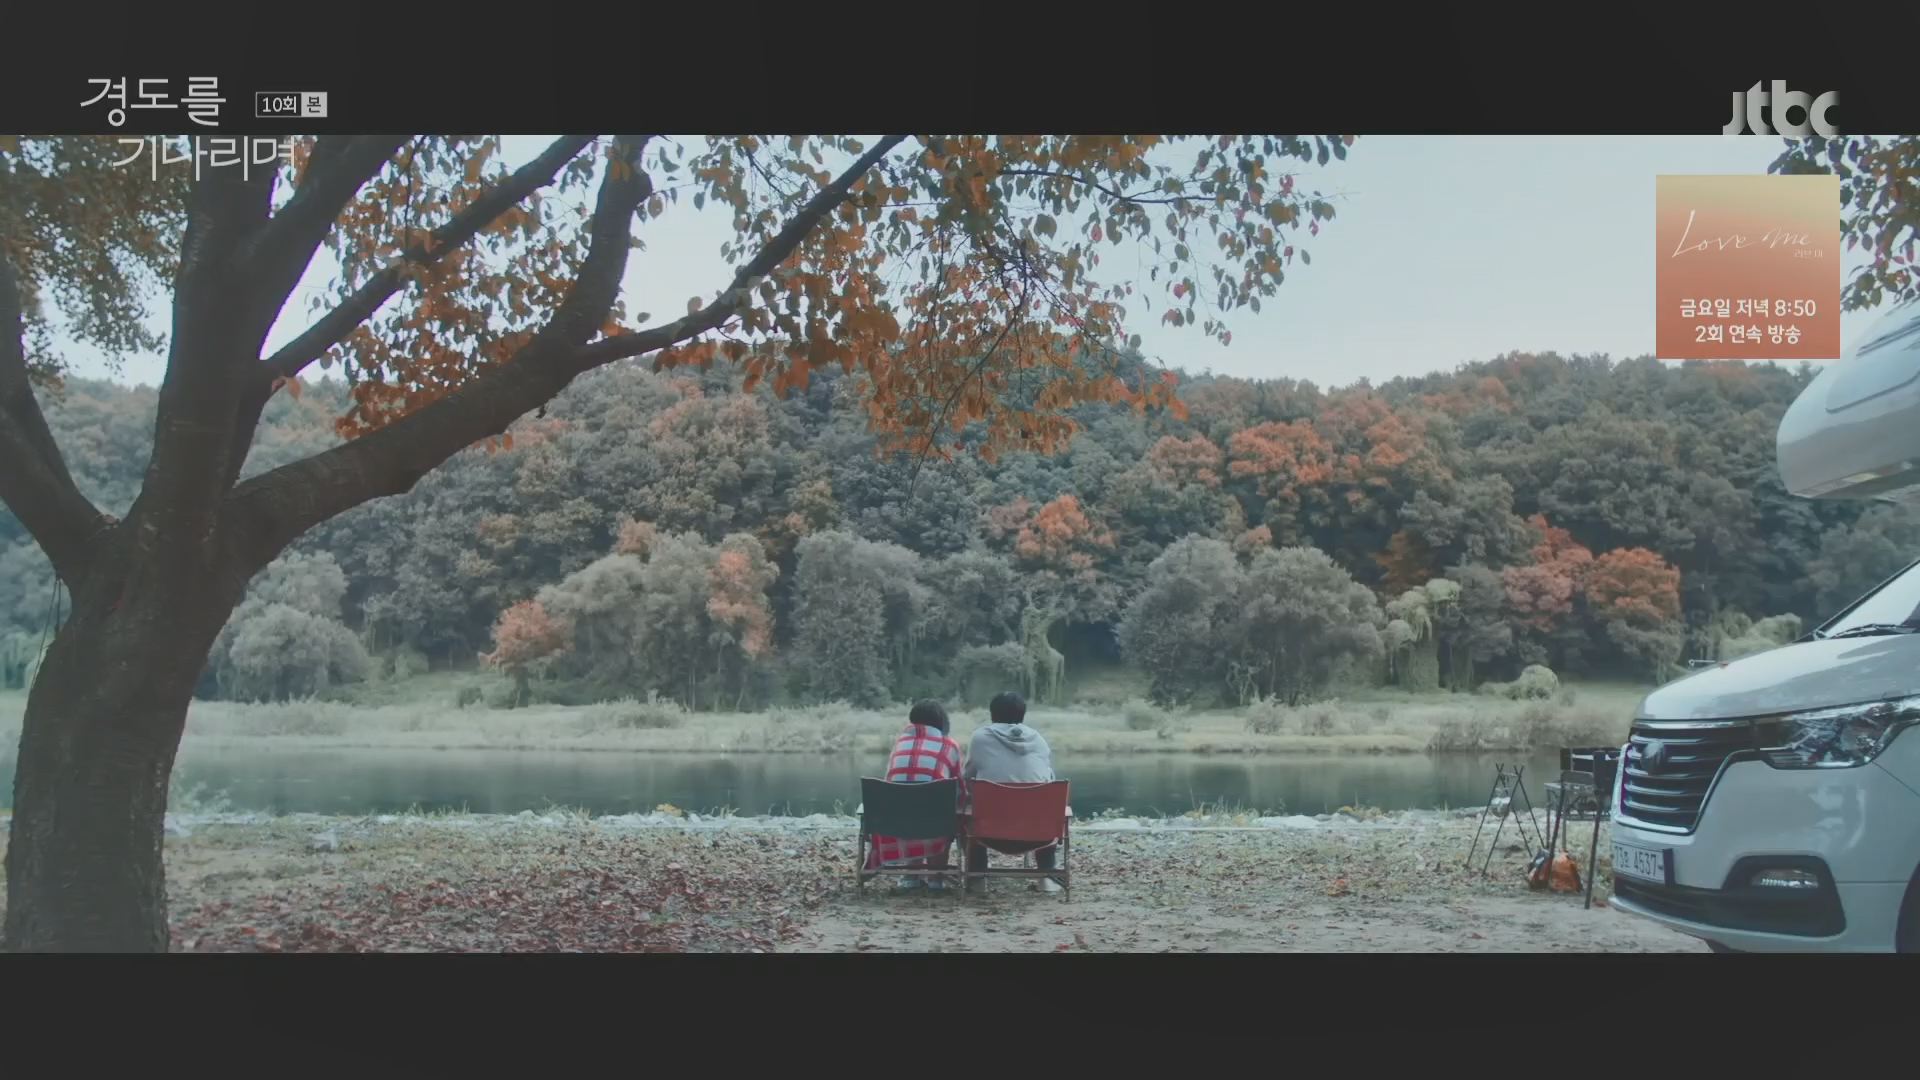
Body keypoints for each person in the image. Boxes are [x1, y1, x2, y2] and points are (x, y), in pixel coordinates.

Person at [962, 691, 1061, 893]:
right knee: (1047, 807)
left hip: (988, 832)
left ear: (992, 714)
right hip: (1038, 833)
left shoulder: (980, 738)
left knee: (966, 812)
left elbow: (968, 778)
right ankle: (1047, 877)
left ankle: (977, 878)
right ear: (1023, 714)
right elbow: (1049, 779)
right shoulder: (1039, 740)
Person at [865, 700, 963, 890]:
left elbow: (890, 782)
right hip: (935, 823)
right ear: (942, 722)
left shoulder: (900, 743)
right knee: (941, 812)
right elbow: (960, 788)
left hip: (894, 823)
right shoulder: (949, 745)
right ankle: (936, 880)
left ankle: (910, 877)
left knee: (910, 805)